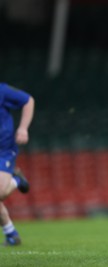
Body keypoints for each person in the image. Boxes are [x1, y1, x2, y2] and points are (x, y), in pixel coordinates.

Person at [0, 83, 34, 246]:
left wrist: (23, 128)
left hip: (3, 149)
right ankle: (11, 235)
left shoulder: (1, 90)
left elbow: (28, 100)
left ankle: (16, 180)